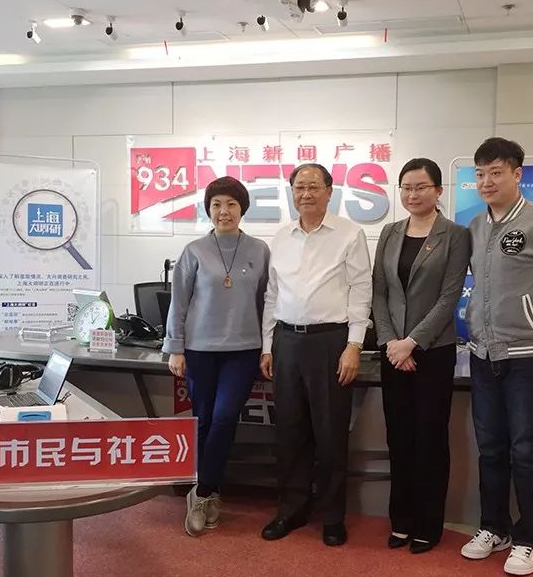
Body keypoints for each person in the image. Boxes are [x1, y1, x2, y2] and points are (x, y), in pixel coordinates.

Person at [459, 137, 533, 576]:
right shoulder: (474, 227)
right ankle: (494, 528)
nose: (486, 181)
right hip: (483, 354)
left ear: (517, 174)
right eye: (480, 174)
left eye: (496, 172)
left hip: (528, 359)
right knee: (490, 447)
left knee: (527, 450)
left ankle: (529, 537)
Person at [259, 163, 372, 547]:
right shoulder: (281, 236)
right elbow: (272, 294)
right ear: (292, 192)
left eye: (313, 187)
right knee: (290, 431)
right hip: (287, 342)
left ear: (329, 191)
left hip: (330, 342)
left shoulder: (349, 234)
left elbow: (361, 290)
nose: (305, 194)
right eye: (299, 187)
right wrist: (268, 345)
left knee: (330, 434)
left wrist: (353, 345)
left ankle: (332, 516)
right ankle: (291, 509)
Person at [372, 157, 470, 554]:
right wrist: (390, 343)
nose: (413, 194)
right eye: (407, 188)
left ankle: (428, 524)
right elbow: (379, 292)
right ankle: (401, 520)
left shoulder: (455, 235)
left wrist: (412, 342)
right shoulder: (389, 232)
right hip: (393, 352)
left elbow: (449, 297)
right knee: (398, 438)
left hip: (432, 351)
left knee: (429, 438)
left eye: (421, 187)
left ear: (438, 190)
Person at [164, 176, 270, 537]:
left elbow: (266, 303)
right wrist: (176, 348)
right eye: (216, 205)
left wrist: (268, 347)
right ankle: (208, 493)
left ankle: (202, 491)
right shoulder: (194, 250)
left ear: (242, 209)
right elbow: (179, 303)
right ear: (208, 210)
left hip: (243, 350)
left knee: (225, 418)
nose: (224, 211)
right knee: (204, 421)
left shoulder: (259, 250)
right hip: (200, 350)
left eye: (231, 204)